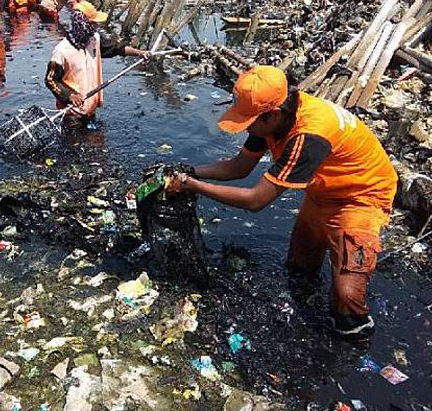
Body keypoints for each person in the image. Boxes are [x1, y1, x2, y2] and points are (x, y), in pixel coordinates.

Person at [166, 65, 398, 337]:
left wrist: (191, 186)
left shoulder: (308, 136)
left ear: (273, 114)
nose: (247, 128)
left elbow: (255, 201)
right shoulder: (270, 119)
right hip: (324, 190)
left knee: (347, 298)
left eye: (250, 121)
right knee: (300, 266)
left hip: (361, 196)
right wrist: (191, 171)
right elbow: (239, 167)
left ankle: (354, 339)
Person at [45, 1, 148, 125]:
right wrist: (69, 95)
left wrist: (140, 53)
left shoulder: (95, 40)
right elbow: (50, 80)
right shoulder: (61, 51)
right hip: (72, 114)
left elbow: (117, 49)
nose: (96, 27)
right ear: (83, 24)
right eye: (93, 23)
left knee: (97, 142)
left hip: (90, 109)